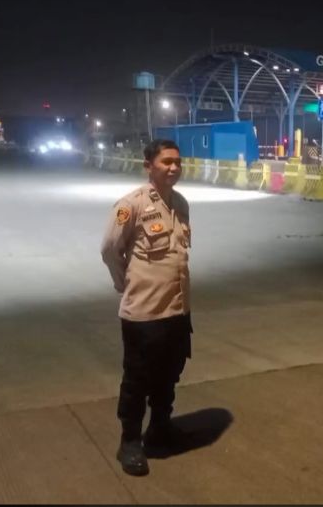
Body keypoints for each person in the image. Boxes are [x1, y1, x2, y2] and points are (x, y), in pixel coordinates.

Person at [100, 139, 192, 477]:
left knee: (169, 375)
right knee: (138, 380)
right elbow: (110, 249)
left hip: (177, 309)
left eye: (177, 162)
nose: (174, 167)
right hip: (144, 313)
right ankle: (129, 441)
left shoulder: (181, 203)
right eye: (166, 161)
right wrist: (125, 284)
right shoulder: (132, 205)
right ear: (148, 166)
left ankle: (160, 427)